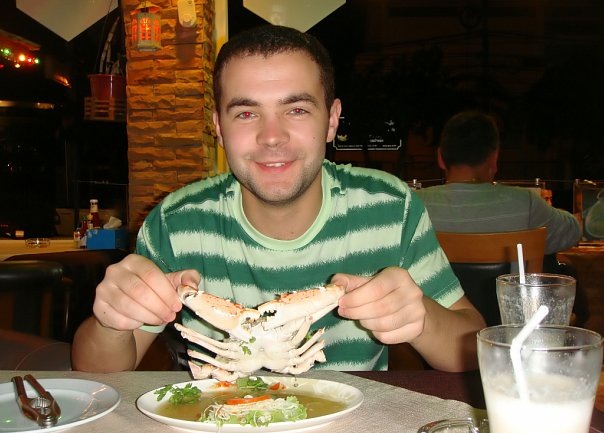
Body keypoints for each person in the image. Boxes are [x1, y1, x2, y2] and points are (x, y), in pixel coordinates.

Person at [71, 25, 485, 374]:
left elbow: (470, 347)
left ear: (332, 120)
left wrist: (422, 318)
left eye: (297, 110)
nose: (272, 137)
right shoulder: (175, 222)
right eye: (246, 113)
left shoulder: (391, 207)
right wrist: (111, 323)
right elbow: (97, 374)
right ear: (219, 128)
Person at [417, 110, 581, 255]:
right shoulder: (525, 204)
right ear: (494, 159)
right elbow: (573, 231)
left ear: (440, 158)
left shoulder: (412, 206)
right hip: (509, 283)